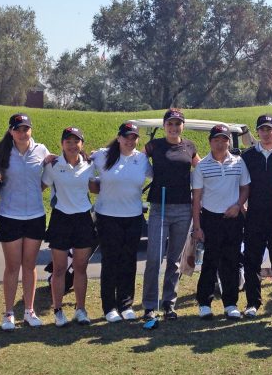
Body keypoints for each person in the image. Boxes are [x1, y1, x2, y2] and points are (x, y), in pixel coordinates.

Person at [142, 109, 201, 321]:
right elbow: (134, 160)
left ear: (182, 126)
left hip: (183, 208)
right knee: (154, 258)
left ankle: (169, 302)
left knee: (174, 260)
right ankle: (149, 304)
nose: (174, 127)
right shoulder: (154, 146)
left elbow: (201, 168)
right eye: (170, 124)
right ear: (164, 125)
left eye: (178, 124)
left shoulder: (190, 147)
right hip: (160, 207)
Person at [91, 122, 153, 322]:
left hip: (133, 216)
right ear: (118, 138)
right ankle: (109, 307)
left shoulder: (142, 159)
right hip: (107, 217)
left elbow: (159, 175)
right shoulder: (102, 155)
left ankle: (125, 305)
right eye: (126, 136)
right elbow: (82, 167)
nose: (130, 140)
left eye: (134, 137)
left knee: (128, 261)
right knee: (110, 262)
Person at [0, 113, 51, 330]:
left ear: (31, 130)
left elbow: (45, 179)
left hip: (35, 215)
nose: (22, 132)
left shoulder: (41, 150)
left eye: (25, 128)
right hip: (9, 215)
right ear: (11, 131)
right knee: (12, 266)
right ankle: (8, 313)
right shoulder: (2, 152)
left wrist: (35, 191)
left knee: (29, 265)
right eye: (17, 129)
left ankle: (29, 311)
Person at [192, 124, 250, 319]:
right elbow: (197, 199)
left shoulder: (239, 162)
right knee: (210, 260)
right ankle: (204, 304)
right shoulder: (202, 166)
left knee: (231, 261)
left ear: (228, 141)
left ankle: (231, 303)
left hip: (233, 217)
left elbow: (245, 188)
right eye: (216, 139)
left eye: (224, 139)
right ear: (210, 141)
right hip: (211, 218)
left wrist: (238, 205)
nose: (220, 143)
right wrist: (198, 227)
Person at [42, 127, 96, 327]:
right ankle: (58, 310)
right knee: (59, 269)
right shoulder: (53, 165)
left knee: (80, 268)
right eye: (68, 141)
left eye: (76, 141)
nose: (72, 145)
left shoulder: (90, 164)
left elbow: (95, 185)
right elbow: (41, 186)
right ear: (62, 144)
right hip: (60, 219)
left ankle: (80, 310)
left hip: (83, 219)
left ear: (82, 143)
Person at [241, 114, 272, 318]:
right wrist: (242, 207)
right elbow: (241, 185)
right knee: (252, 261)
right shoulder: (248, 155)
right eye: (262, 129)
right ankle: (253, 303)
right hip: (254, 216)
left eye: (269, 129)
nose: (266, 132)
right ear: (258, 131)